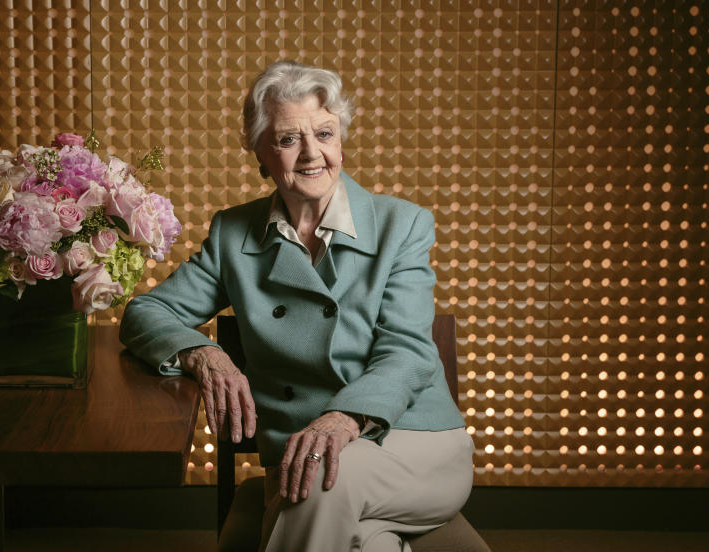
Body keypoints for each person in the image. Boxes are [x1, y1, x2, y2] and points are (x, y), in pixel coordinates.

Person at [120, 61, 472, 552]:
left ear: (341, 141)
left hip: (410, 440)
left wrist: (343, 419)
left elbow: (408, 352)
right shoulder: (233, 234)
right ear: (261, 154)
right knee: (360, 535)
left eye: (324, 133)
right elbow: (145, 313)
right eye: (288, 139)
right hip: (303, 454)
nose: (312, 153)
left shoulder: (402, 225)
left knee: (318, 476)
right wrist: (206, 355)